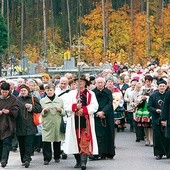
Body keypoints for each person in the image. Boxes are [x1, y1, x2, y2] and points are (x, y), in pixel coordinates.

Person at [64, 75, 99, 170]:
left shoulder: (90, 94)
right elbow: (66, 106)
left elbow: (95, 106)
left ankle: (83, 162)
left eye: (82, 81)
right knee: (75, 140)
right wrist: (75, 107)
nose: (79, 83)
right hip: (74, 120)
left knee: (84, 140)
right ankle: (78, 160)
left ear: (85, 83)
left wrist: (83, 109)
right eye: (77, 82)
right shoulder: (71, 94)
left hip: (86, 120)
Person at [16, 84, 42, 168]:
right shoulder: (17, 99)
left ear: (28, 91)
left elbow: (39, 109)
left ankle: (27, 159)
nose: (23, 92)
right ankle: (23, 159)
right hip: (19, 125)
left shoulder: (33, 98)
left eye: (24, 90)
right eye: (21, 91)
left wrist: (31, 107)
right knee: (21, 143)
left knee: (29, 143)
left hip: (30, 125)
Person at [40, 84, 65, 165]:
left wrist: (60, 110)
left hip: (57, 122)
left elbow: (64, 112)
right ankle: (47, 158)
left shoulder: (60, 100)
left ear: (54, 90)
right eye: (47, 90)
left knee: (57, 140)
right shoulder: (42, 101)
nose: (49, 92)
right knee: (46, 141)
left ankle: (57, 156)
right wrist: (44, 111)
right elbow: (40, 113)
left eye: (51, 90)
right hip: (47, 123)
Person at [92, 77, 115, 160]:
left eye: (101, 82)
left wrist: (103, 112)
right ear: (95, 83)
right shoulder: (92, 93)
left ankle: (107, 153)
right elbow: (92, 104)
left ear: (104, 83)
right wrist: (98, 113)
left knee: (108, 134)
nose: (100, 84)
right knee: (97, 135)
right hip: (96, 115)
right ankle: (97, 153)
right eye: (98, 82)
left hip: (107, 115)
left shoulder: (108, 92)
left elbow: (110, 103)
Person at [148, 78, 170, 160]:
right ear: (158, 87)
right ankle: (158, 153)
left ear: (166, 86)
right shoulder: (153, 96)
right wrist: (155, 110)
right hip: (156, 119)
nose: (162, 87)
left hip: (167, 119)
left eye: (163, 86)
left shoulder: (168, 94)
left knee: (167, 137)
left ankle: (168, 153)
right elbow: (149, 107)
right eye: (160, 86)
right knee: (157, 137)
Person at [0, 82, 19, 168]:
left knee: (6, 143)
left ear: (9, 91)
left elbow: (16, 110)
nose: (4, 93)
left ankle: (4, 160)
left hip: (8, 124)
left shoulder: (13, 99)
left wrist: (10, 112)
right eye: (2, 92)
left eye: (5, 92)